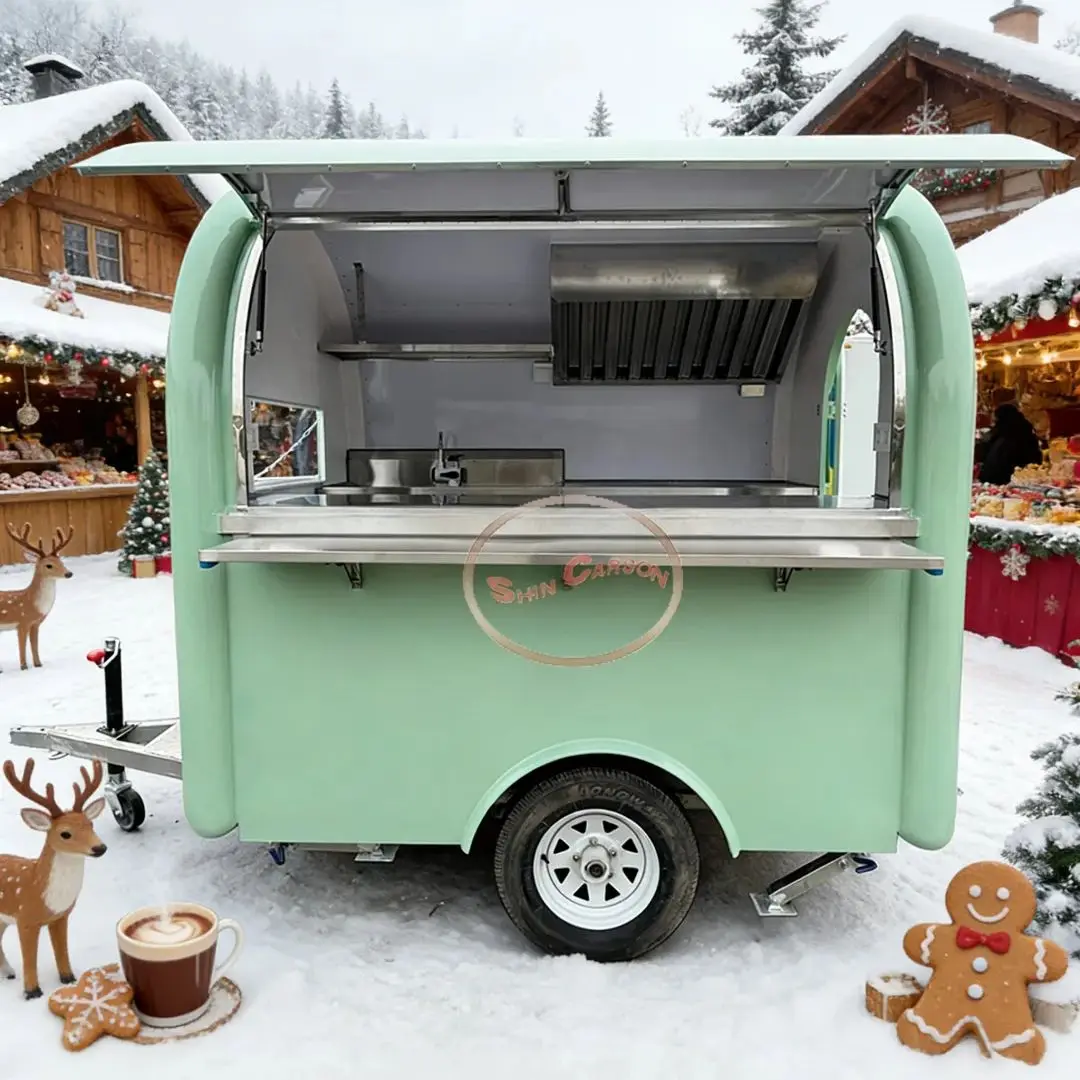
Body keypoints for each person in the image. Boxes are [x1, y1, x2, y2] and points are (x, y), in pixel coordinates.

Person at [975, 403, 1042, 485]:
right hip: (1021, 480)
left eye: (995, 420)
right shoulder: (1026, 433)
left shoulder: (1003, 438)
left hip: (1002, 481)